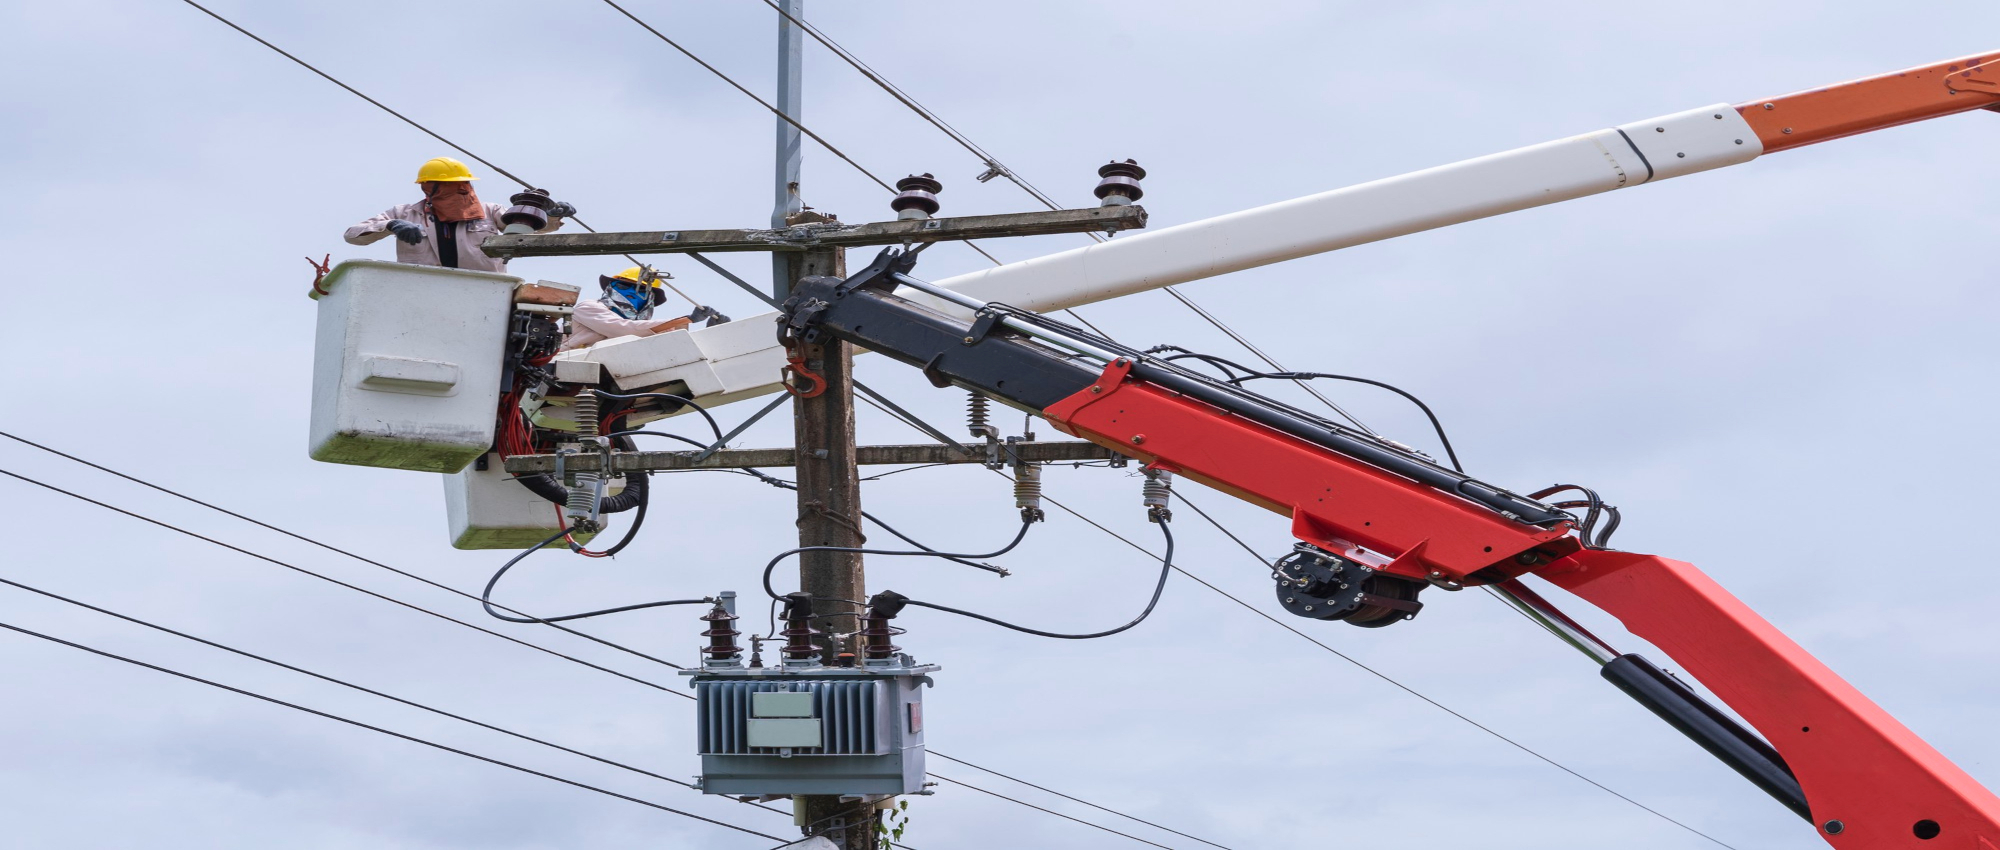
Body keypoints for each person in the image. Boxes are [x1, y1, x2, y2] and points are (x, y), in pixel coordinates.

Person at [342, 156, 571, 273]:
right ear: (428, 187)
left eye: (464, 184)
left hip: (485, 289)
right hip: (425, 288)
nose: (462, 190)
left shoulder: (489, 211)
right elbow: (352, 235)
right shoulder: (405, 213)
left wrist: (549, 215)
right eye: (452, 185)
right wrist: (391, 225)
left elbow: (524, 228)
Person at [561, 267, 696, 351]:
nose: (631, 293)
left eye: (641, 290)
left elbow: (673, 343)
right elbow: (623, 329)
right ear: (611, 287)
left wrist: (712, 329)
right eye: (624, 286)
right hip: (561, 362)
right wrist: (687, 319)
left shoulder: (645, 330)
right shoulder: (589, 307)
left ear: (650, 299)